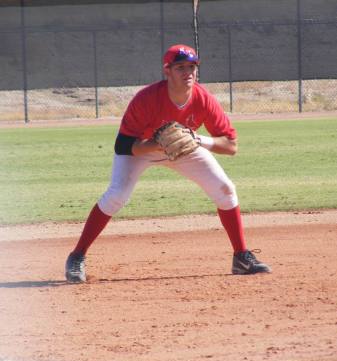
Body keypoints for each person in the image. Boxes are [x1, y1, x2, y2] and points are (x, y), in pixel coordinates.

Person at [65, 44, 271, 282]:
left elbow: (231, 146)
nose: (188, 73)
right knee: (116, 195)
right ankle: (77, 256)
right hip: (142, 148)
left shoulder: (204, 100)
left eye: (192, 67)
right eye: (180, 67)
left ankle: (241, 257)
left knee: (225, 189)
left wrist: (197, 138)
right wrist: (156, 144)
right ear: (167, 71)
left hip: (185, 147)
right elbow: (122, 146)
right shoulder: (147, 99)